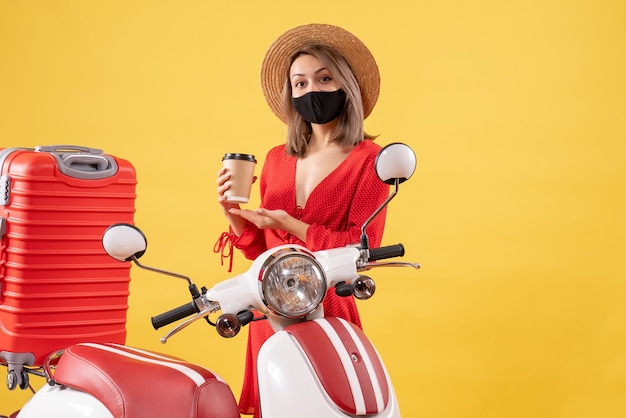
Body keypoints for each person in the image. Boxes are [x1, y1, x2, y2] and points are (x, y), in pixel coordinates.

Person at [214, 23, 390, 417]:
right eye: (300, 83)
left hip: (327, 302)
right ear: (290, 95)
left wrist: (293, 225)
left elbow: (366, 251)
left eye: (324, 78)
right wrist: (235, 216)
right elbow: (262, 252)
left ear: (345, 86)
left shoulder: (370, 159)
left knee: (333, 403)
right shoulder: (277, 157)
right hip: (269, 307)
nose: (311, 90)